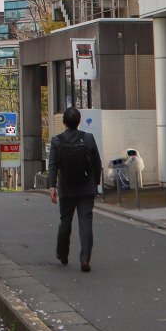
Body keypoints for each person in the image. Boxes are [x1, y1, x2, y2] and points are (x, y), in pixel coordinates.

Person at [48, 106, 102, 273]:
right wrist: (95, 183)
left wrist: (52, 186)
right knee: (86, 224)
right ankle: (85, 259)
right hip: (86, 188)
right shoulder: (88, 138)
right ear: (79, 122)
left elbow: (53, 165)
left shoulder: (57, 141)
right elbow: (97, 163)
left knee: (65, 221)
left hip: (66, 187)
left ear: (64, 122)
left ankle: (62, 253)